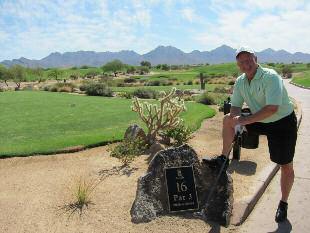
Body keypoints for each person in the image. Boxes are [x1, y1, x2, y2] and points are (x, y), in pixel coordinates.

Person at [214, 46, 298, 223]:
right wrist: (236, 118)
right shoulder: (240, 81)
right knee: (228, 120)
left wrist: (243, 121)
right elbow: (236, 105)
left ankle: (283, 203)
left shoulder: (270, 76)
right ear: (238, 65)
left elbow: (272, 109)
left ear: (255, 59)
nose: (246, 64)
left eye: (248, 60)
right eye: (241, 62)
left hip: (282, 122)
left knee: (285, 165)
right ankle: (223, 158)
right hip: (258, 119)